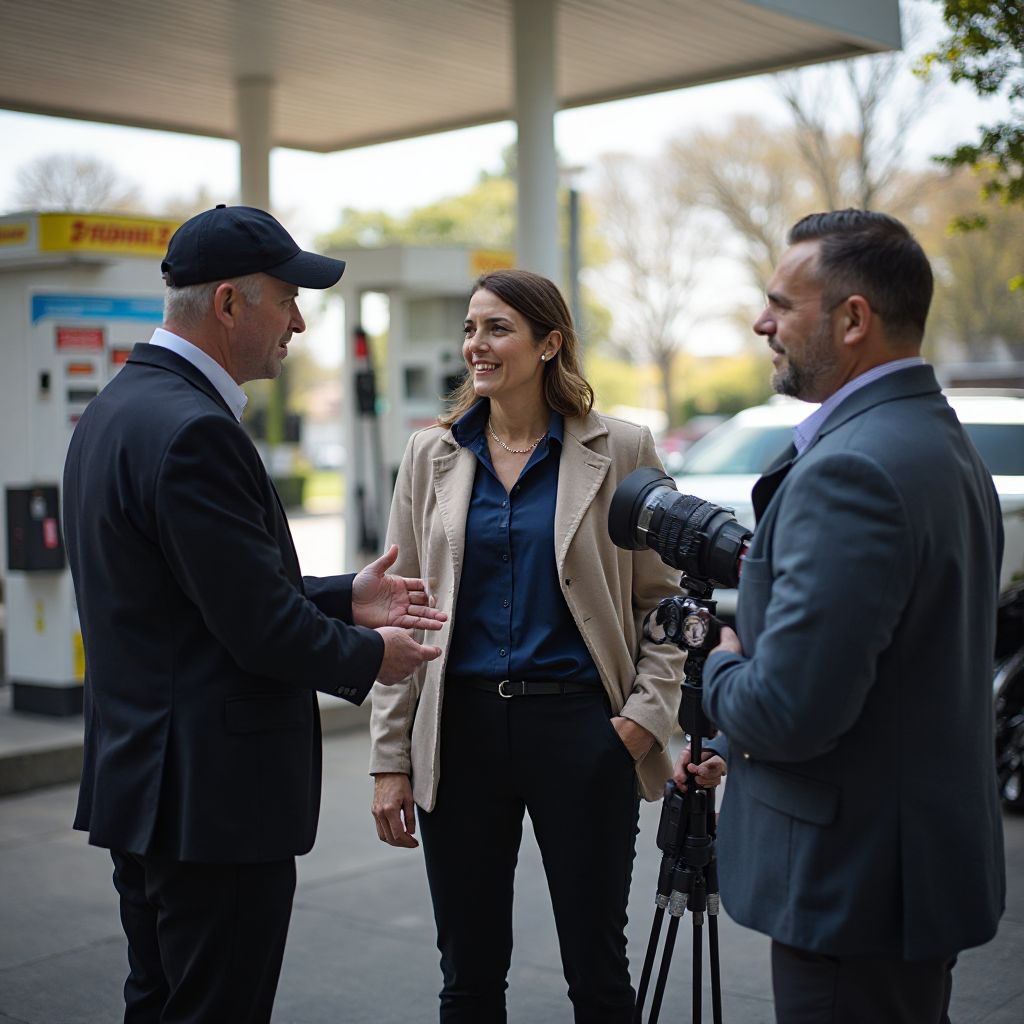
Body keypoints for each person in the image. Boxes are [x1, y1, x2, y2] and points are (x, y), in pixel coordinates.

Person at [62, 204, 445, 1024]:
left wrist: (344, 597)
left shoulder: (116, 411)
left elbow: (192, 602)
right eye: (287, 298)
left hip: (148, 788)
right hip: (212, 806)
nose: (300, 322)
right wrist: (374, 653)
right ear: (231, 303)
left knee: (159, 1002)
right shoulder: (196, 429)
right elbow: (258, 630)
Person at [674, 209, 1005, 1023]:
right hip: (904, 880)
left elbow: (788, 713)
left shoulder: (852, 468)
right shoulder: (939, 440)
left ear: (853, 318)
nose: (762, 323)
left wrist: (716, 663)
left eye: (782, 304)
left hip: (854, 894)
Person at [368, 269, 688, 1023]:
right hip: (462, 732)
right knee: (468, 976)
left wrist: (645, 718)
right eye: (471, 328)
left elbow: (667, 604)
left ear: (550, 344)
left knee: (598, 972)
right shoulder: (431, 455)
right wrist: (389, 757)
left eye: (497, 328)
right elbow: (401, 610)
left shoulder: (624, 449)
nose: (477, 345)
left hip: (583, 734)